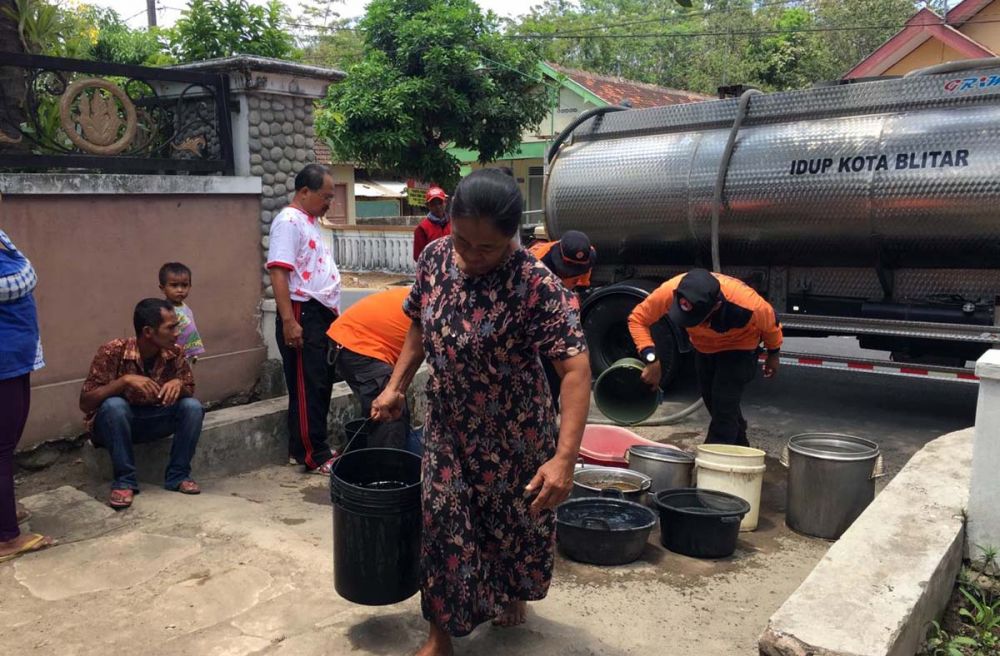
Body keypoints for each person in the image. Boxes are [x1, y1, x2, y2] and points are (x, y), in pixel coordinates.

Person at [371, 168, 591, 656]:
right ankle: (440, 635)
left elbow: (576, 371)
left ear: (512, 236)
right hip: (449, 422)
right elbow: (418, 326)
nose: (470, 256)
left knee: (511, 523)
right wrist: (395, 387)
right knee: (443, 522)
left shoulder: (538, 285)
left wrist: (564, 459)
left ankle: (512, 591)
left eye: (485, 248)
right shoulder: (434, 258)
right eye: (462, 241)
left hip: (516, 428)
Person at [628, 269, 782, 446]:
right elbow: (638, 319)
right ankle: (740, 446)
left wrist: (773, 354)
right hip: (703, 348)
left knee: (723, 402)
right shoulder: (671, 290)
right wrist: (651, 359)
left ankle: (713, 460)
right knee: (712, 401)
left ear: (715, 306)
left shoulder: (749, 304)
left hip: (739, 348)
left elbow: (772, 327)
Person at [80, 298, 204, 509]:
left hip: (153, 419)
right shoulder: (113, 351)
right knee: (114, 406)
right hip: (113, 426)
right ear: (148, 331)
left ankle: (178, 475)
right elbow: (85, 403)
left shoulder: (175, 352)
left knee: (193, 407)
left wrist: (178, 384)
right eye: (171, 327)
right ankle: (124, 481)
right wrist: (123, 382)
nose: (177, 333)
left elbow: (189, 390)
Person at [267, 164, 342, 475]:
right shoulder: (288, 222)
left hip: (320, 312)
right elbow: (279, 271)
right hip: (302, 310)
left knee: (321, 381)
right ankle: (313, 454)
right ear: (304, 192)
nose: (329, 203)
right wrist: (288, 320)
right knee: (307, 383)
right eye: (325, 196)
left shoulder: (309, 222)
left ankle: (311, 446)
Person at [0, 222, 55, 562]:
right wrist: (27, 272)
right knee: (1, 447)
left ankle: (4, 514)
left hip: (14, 355)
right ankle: (6, 538)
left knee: (8, 440)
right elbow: (22, 278)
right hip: (3, 357)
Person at [326, 286, 411, 449]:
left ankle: (380, 457)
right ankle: (386, 469)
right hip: (359, 343)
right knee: (389, 413)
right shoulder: (440, 304)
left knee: (393, 405)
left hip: (351, 338)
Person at [529, 230, 596, 411]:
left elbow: (580, 285)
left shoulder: (589, 256)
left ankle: (555, 408)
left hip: (564, 306)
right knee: (545, 364)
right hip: (539, 312)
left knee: (569, 363)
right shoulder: (537, 260)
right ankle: (545, 407)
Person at [159, 262, 205, 363]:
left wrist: (194, 352)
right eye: (174, 286)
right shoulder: (164, 310)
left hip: (188, 354)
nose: (180, 290)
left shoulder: (185, 307)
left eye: (184, 285)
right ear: (163, 288)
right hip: (173, 356)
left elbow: (190, 329)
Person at [527, 230, 596, 292]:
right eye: (569, 264)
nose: (573, 271)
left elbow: (583, 283)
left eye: (579, 266)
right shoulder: (536, 261)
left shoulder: (590, 254)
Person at [412, 186, 450, 261]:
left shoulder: (454, 224)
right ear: (428, 206)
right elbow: (418, 257)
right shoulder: (422, 229)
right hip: (432, 269)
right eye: (433, 204)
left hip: (452, 269)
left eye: (440, 202)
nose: (438, 206)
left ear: (445, 202)